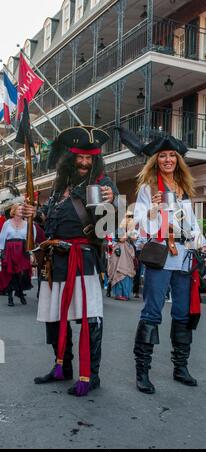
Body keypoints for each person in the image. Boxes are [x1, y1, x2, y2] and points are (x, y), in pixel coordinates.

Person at [24, 125, 119, 397]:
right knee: (54, 318)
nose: (85, 162)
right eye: (80, 157)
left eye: (90, 158)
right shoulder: (59, 187)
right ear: (71, 157)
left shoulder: (104, 185)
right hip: (54, 263)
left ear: (96, 160)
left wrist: (110, 205)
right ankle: (62, 367)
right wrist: (35, 213)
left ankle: (91, 375)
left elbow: (106, 230)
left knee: (90, 320)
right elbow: (50, 220)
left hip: (83, 260)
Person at [118, 129, 206, 394]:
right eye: (163, 156)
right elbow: (136, 224)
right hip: (160, 256)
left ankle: (180, 367)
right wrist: (152, 209)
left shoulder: (183, 188)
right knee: (151, 312)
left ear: (178, 160)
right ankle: (142, 371)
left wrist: (203, 244)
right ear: (156, 160)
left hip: (183, 257)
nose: (168, 160)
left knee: (182, 313)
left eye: (172, 156)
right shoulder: (147, 189)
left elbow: (191, 223)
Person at [0, 203, 36, 306]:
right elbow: (2, 238)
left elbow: (31, 239)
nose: (21, 211)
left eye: (22, 209)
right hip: (9, 251)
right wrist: (1, 252)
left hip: (22, 251)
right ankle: (10, 297)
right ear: (14, 211)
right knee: (10, 274)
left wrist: (31, 253)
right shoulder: (7, 223)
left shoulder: (29, 224)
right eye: (19, 209)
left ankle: (19, 292)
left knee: (22, 274)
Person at [108, 212, 137, 301]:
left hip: (128, 252)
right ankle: (118, 293)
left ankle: (125, 293)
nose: (129, 219)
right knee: (120, 270)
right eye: (127, 217)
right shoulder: (119, 227)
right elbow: (121, 239)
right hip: (119, 252)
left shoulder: (131, 228)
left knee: (128, 271)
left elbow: (134, 238)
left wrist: (131, 230)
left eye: (131, 217)